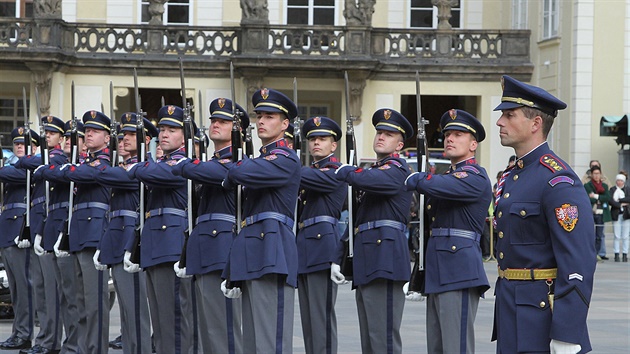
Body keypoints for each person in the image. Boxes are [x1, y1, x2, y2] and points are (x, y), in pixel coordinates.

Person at [493, 75, 596, 353]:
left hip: (540, 316)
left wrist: (567, 332)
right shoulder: (515, 175)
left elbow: (578, 261)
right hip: (510, 311)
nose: (500, 122)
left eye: (509, 115)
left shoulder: (557, 180)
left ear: (535, 123)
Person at [221, 88, 300, 353]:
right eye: (260, 116)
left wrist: (236, 169)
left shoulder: (285, 159)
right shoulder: (260, 159)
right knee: (253, 341)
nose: (262, 121)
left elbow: (240, 172)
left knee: (271, 340)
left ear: (285, 124)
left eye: (270, 116)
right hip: (252, 248)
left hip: (272, 250)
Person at [405, 109, 491, 353]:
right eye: (447, 135)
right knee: (438, 347)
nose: (450, 139)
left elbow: (438, 184)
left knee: (457, 346)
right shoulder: (448, 176)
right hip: (437, 270)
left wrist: (414, 177)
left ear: (473, 144)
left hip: (459, 271)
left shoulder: (474, 177)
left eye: (458, 134)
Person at [333, 108, 414, 354]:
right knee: (370, 337)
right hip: (368, 259)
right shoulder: (373, 171)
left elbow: (370, 180)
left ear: (399, 145)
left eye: (388, 134)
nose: (381, 136)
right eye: (379, 132)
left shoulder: (397, 170)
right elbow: (357, 219)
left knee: (383, 338)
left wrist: (346, 170)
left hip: (386, 259)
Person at [172, 98, 248, 353]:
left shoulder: (238, 162)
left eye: (223, 121)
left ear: (237, 131)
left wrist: (187, 163)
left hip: (223, 247)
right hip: (203, 247)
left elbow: (203, 172)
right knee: (207, 330)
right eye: (214, 120)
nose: (215, 124)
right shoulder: (208, 162)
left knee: (224, 328)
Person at [126, 105, 194, 354]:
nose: (164, 134)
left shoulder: (182, 163)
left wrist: (136, 166)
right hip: (154, 243)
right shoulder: (159, 162)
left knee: (174, 318)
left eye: (172, 129)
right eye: (162, 129)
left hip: (171, 244)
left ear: (185, 135)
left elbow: (159, 174)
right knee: (160, 318)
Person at [94, 114, 156, 354]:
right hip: (117, 239)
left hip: (134, 241)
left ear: (145, 139)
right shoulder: (123, 167)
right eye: (121, 136)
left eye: (130, 135)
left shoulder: (145, 168)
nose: (123, 140)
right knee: (128, 311)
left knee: (137, 309)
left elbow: (102, 175)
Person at [58, 111, 112, 354]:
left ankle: (95, 349)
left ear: (108, 138)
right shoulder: (84, 161)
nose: (89, 134)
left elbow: (85, 174)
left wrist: (68, 169)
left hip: (94, 233)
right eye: (87, 131)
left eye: (95, 131)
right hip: (79, 233)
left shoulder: (105, 161)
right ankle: (82, 348)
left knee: (94, 302)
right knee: (79, 301)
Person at [296, 116, 346, 354]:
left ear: (333, 145)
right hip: (304, 247)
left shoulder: (334, 172)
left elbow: (301, 177)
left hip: (322, 248)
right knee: (308, 322)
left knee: (321, 320)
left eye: (322, 139)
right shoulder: (308, 172)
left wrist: (286, 165)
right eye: (313, 139)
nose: (316, 143)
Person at [17, 116, 66, 354]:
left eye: (52, 134)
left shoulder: (57, 158)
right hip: (38, 227)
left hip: (50, 228)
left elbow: (25, 162)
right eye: (45, 133)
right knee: (40, 289)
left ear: (61, 138)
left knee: (50, 290)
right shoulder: (42, 159)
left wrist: (33, 159)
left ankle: (51, 342)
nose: (47, 137)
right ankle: (44, 339)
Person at [38, 120, 85, 354]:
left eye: (72, 137)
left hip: (71, 234)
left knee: (73, 296)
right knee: (62, 294)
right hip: (56, 233)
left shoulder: (74, 164)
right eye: (66, 137)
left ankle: (76, 345)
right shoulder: (64, 164)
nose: (68, 141)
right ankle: (69, 344)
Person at [0, 127, 40, 351]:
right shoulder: (15, 166)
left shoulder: (30, 169)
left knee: (25, 286)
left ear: (35, 148)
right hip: (7, 229)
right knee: (15, 289)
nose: (19, 148)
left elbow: (8, 174)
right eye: (16, 144)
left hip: (20, 229)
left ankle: (24, 333)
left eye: (24, 144)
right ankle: (18, 331)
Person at [584, 165, 611, 260]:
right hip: (591, 212)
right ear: (591, 175)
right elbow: (587, 198)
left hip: (601, 213)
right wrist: (598, 198)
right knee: (590, 234)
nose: (596, 176)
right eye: (594, 174)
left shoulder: (604, 186)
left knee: (599, 235)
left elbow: (607, 197)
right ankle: (589, 253)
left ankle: (597, 253)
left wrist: (595, 196)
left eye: (598, 174)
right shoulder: (587, 186)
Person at [609, 172, 630, 262]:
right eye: (618, 180)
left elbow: (629, 198)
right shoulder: (612, 189)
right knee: (617, 236)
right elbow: (610, 200)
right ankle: (616, 254)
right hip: (616, 214)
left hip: (626, 215)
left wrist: (620, 200)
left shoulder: (627, 189)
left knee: (625, 236)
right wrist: (620, 205)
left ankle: (625, 254)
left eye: (621, 181)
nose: (619, 182)